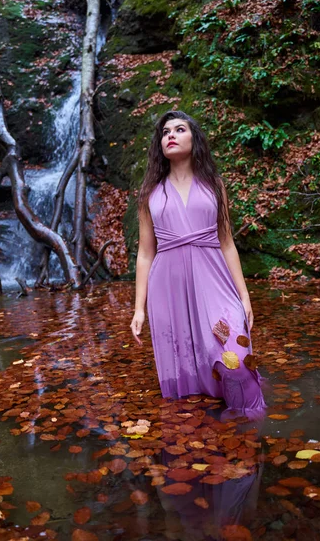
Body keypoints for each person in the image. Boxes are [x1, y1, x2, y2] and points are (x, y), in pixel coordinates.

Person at [129, 110, 267, 416]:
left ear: (195, 139)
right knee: (185, 388)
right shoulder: (150, 192)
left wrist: (244, 296)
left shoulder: (215, 185)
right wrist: (139, 308)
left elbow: (227, 241)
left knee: (236, 359)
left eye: (179, 129)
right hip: (168, 286)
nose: (171, 136)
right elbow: (145, 253)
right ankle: (199, 444)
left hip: (214, 281)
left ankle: (248, 430)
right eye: (165, 132)